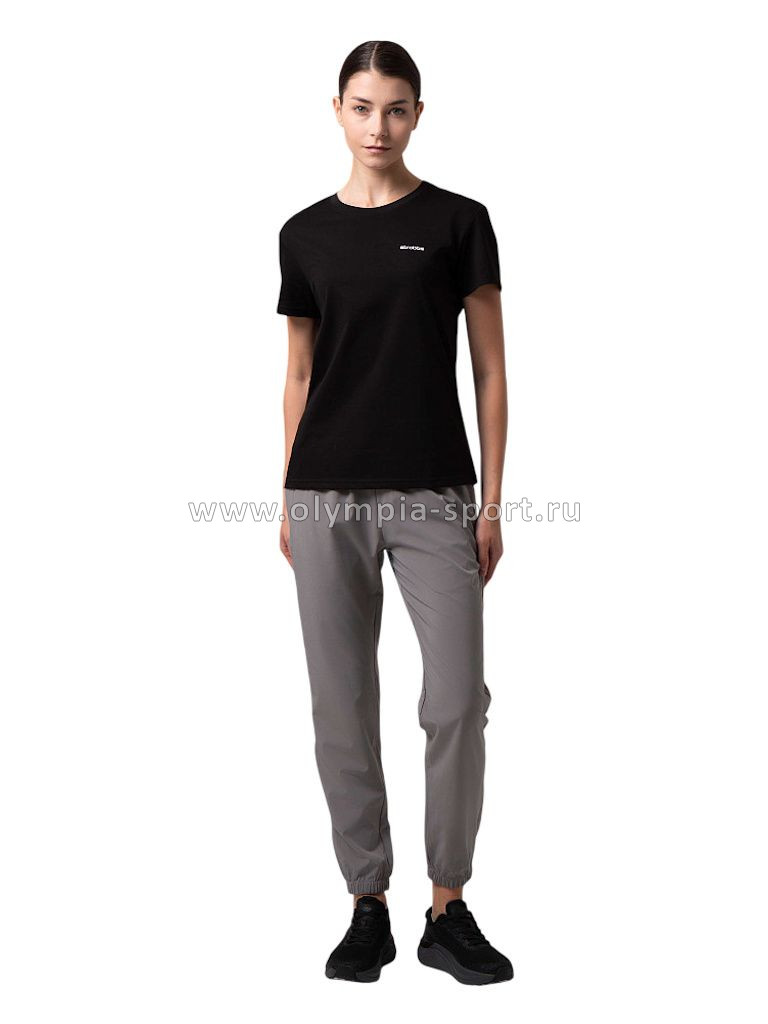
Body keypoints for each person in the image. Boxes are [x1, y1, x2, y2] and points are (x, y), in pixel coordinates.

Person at [277, 40, 513, 986]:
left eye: (398, 108)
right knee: (341, 703)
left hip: (435, 494)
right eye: (363, 107)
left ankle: (447, 909)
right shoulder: (303, 234)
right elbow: (299, 373)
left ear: (419, 113)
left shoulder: (460, 222)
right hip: (324, 494)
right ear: (337, 109)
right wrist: (287, 494)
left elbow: (490, 369)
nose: (379, 126)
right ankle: (366, 904)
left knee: (457, 701)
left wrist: (490, 502)